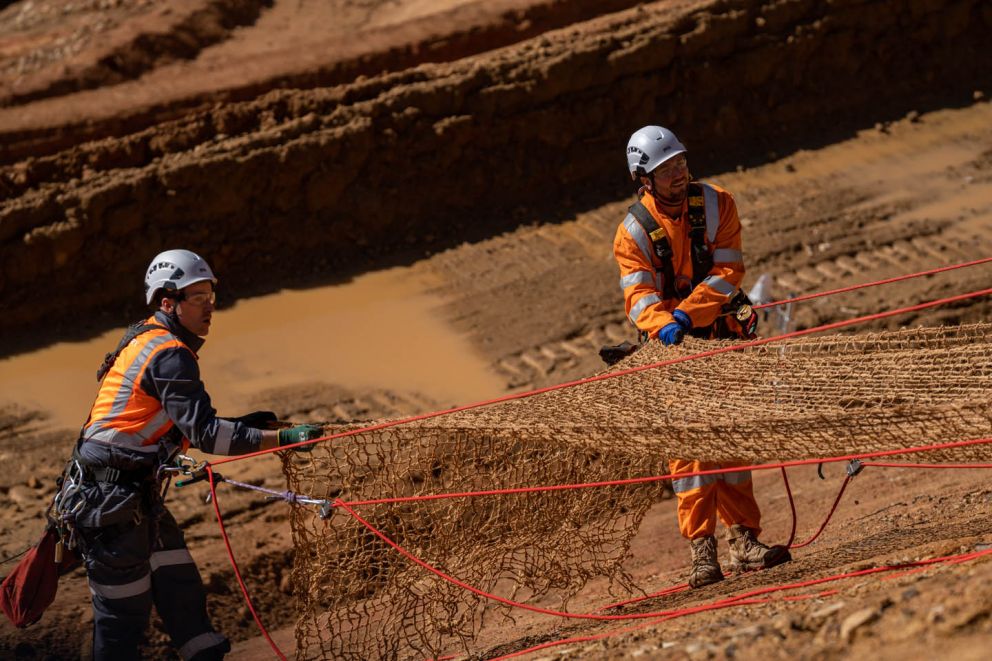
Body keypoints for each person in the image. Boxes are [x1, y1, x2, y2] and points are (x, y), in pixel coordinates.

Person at [60, 249, 323, 659]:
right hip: (111, 505)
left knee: (179, 583)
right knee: (121, 621)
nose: (210, 308)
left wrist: (248, 426)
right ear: (169, 302)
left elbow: (177, 423)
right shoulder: (170, 354)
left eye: (211, 297)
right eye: (198, 298)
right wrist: (285, 438)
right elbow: (206, 435)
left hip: (126, 495)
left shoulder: (146, 337)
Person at [613, 126, 791, 588]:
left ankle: (745, 542)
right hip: (671, 352)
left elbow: (729, 270)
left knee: (731, 443)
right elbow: (638, 299)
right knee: (690, 455)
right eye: (666, 169)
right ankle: (702, 551)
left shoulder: (718, 204)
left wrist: (688, 316)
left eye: (680, 164)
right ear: (643, 179)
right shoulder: (631, 232)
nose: (678, 174)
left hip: (720, 337)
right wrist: (664, 324)